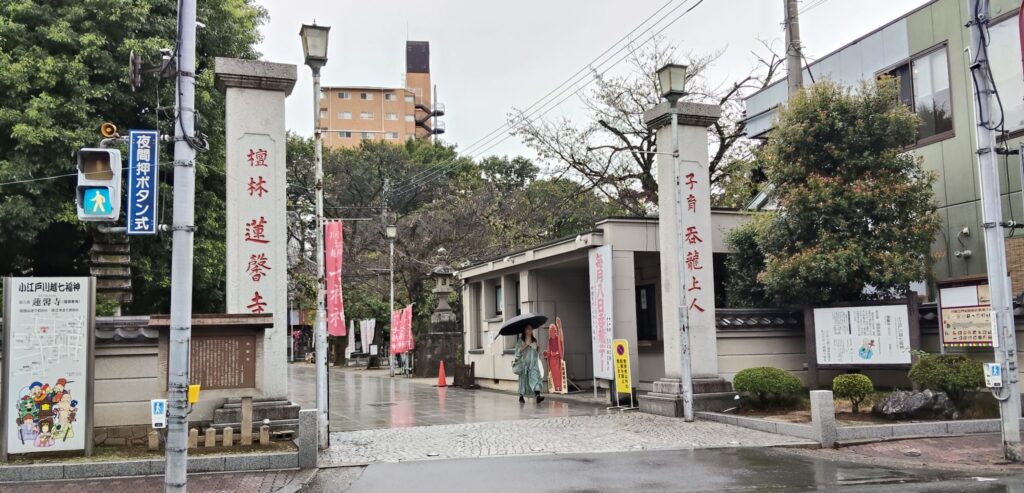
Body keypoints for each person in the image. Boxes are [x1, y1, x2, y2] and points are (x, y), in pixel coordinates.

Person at [514, 325, 544, 404]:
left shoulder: (534, 340)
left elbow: (535, 353)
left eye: (531, 328)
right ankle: (521, 396)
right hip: (524, 365)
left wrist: (537, 349)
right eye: (528, 328)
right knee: (523, 381)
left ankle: (537, 396)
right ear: (524, 330)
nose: (530, 330)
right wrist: (525, 345)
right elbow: (517, 352)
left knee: (535, 379)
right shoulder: (521, 340)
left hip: (533, 364)